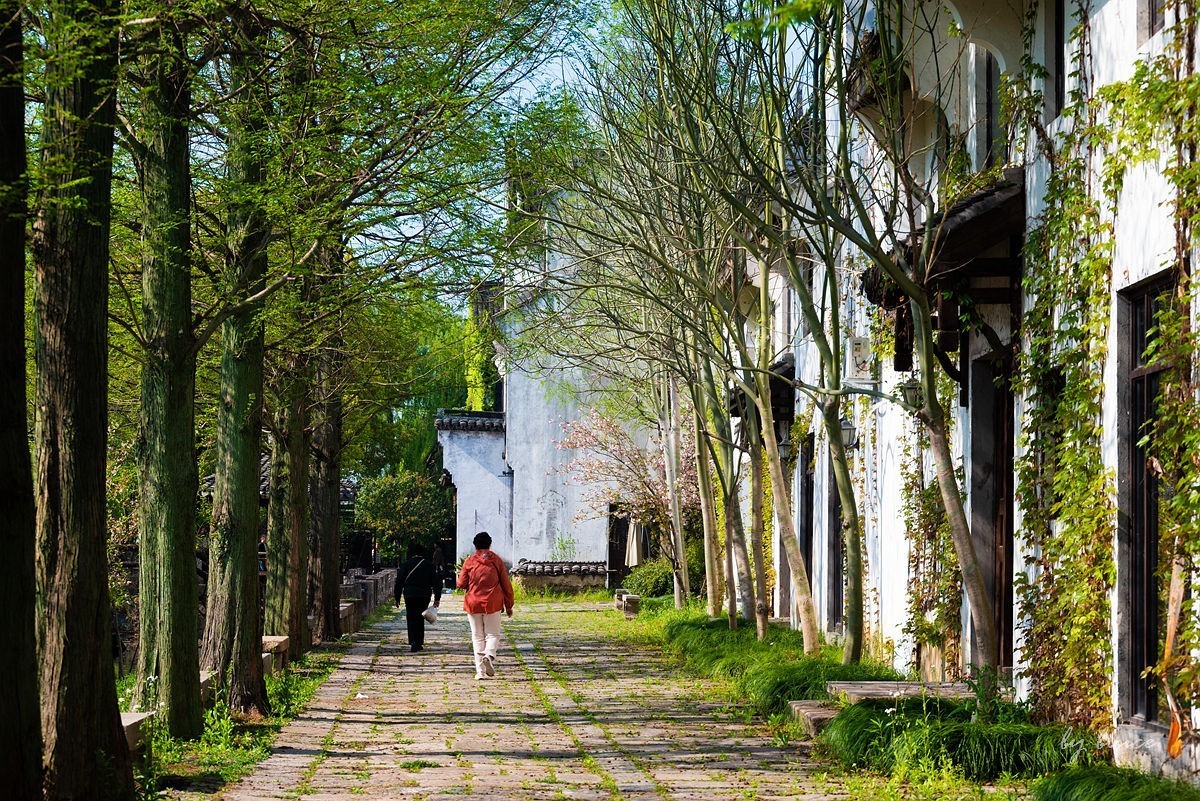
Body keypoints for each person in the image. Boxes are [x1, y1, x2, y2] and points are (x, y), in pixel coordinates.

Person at [456, 531, 514, 679]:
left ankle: (480, 672)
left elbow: (461, 584)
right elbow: (506, 585)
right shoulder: (496, 561)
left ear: (475, 546)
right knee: (493, 634)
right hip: (493, 603)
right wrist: (509, 605)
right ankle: (489, 654)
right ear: (490, 545)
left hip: (473, 603)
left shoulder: (469, 561)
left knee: (477, 637)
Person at [395, 545, 442, 652]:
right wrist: (437, 598)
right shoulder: (428, 565)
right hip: (424, 595)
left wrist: (397, 597)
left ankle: (413, 641)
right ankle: (419, 641)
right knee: (420, 617)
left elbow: (399, 581)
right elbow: (436, 582)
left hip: (410, 595)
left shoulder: (406, 564)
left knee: (411, 617)